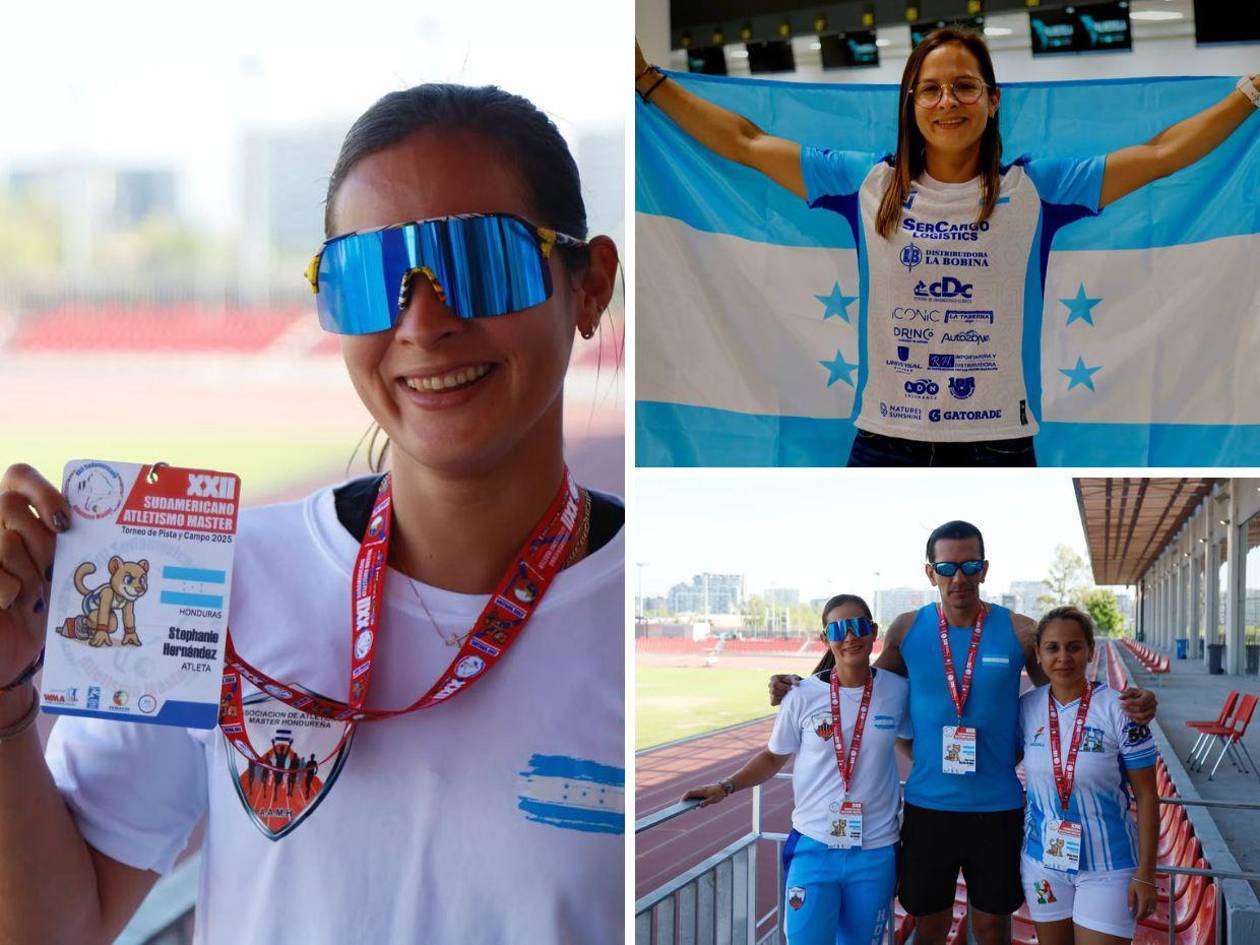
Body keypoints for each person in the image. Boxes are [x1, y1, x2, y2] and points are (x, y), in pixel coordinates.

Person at [0, 83, 622, 945]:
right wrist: (4, 700)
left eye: (478, 258)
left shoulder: (638, 602)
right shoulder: (212, 582)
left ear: (589, 285)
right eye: (367, 278)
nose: (424, 320)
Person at [635, 30, 1260, 466]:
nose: (947, 102)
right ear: (911, 106)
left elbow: (1162, 155)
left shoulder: (1038, 189)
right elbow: (745, 142)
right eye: (930, 90)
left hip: (1000, 445)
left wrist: (1251, 93)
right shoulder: (866, 184)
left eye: (964, 87)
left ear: (993, 100)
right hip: (884, 441)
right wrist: (646, 80)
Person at [768, 521, 1156, 945]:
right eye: (947, 567)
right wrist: (802, 686)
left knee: (991, 926)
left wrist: (1128, 702)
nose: (959, 578)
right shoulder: (906, 628)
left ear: (985, 569)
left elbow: (1061, 697)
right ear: (929, 572)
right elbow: (865, 691)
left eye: (970, 565)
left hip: (998, 807)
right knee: (929, 924)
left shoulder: (1018, 630)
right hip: (928, 807)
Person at [683, 595, 911, 945]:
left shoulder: (897, 691)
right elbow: (773, 758)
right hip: (814, 846)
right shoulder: (801, 695)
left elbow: (914, 743)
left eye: (858, 626)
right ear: (825, 639)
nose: (850, 636)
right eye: (838, 628)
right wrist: (725, 786)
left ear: (873, 630)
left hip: (876, 851)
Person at [1019, 607, 1158, 945]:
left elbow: (1147, 796)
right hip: (1042, 861)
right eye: (1052, 648)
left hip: (1108, 869)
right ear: (1038, 654)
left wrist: (1147, 875)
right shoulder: (1025, 708)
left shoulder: (1121, 709)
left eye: (1074, 647)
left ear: (1090, 651)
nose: (1063, 657)